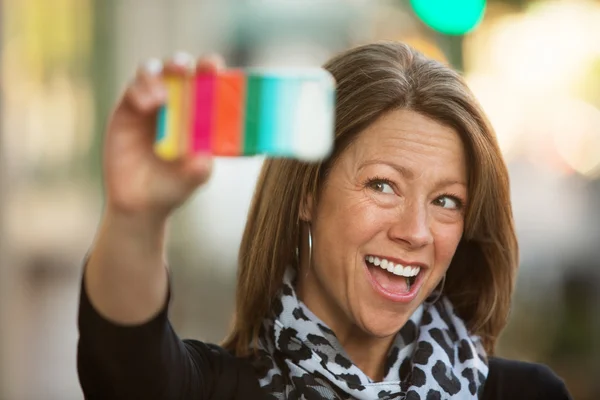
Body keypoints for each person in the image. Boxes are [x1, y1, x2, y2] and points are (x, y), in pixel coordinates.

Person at [77, 42, 572, 399]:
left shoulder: (527, 393)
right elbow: (125, 362)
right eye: (382, 185)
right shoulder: (211, 389)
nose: (415, 231)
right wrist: (135, 215)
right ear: (307, 194)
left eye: (447, 201)